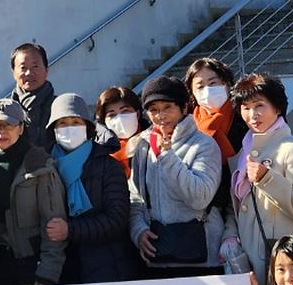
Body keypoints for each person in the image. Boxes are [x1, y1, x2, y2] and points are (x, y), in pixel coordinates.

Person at [127, 76, 222, 272]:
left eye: (167, 107)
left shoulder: (204, 145)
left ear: (184, 108)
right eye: (153, 110)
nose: (160, 115)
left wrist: (167, 155)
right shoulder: (143, 146)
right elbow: (135, 197)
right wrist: (138, 231)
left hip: (202, 258)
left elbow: (200, 198)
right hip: (158, 258)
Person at [228, 73, 293, 277]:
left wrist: (266, 178)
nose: (252, 114)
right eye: (246, 107)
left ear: (277, 108)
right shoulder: (245, 150)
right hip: (251, 252)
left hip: (284, 259)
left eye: (259, 105)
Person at [0, 98, 67, 285]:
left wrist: (47, 275)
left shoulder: (40, 165)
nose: (1, 131)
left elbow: (54, 225)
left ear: (21, 128)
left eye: (9, 125)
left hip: (30, 266)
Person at [47, 92, 136, 284]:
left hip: (107, 267)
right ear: (53, 129)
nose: (69, 128)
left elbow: (117, 219)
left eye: (76, 122)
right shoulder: (46, 166)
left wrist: (70, 230)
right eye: (62, 123)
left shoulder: (108, 165)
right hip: (62, 268)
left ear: (88, 127)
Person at [184, 56, 248, 265]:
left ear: (227, 84)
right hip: (205, 212)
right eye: (200, 86)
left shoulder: (245, 118)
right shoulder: (188, 127)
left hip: (243, 209)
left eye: (213, 83)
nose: (207, 90)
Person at [9, 42, 55, 145]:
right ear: (14, 73)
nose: (29, 73)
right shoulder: (6, 111)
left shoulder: (58, 107)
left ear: (46, 70)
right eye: (23, 68)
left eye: (35, 66)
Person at [96, 86, 143, 169]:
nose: (119, 118)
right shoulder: (100, 154)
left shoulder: (155, 140)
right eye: (112, 115)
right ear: (105, 122)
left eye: (125, 111)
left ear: (137, 114)